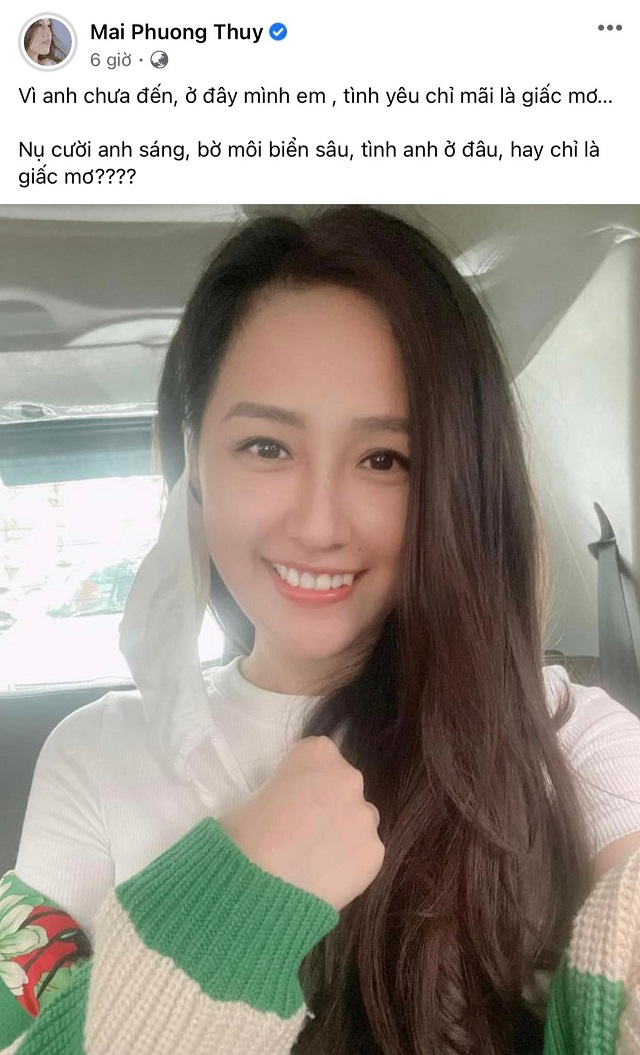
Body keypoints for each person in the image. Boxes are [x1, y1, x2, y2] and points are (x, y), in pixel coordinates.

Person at [2, 206, 640, 1054]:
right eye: (267, 446)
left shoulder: (564, 736)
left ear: (453, 484)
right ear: (191, 459)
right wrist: (233, 905)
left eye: (385, 459)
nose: (318, 524)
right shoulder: (93, 757)